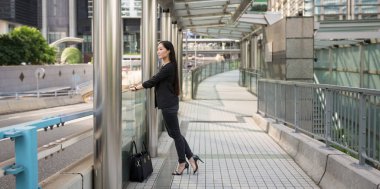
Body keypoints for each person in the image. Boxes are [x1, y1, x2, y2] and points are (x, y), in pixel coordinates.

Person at [130, 41, 203, 175]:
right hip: (169, 104)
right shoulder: (168, 65)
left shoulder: (169, 67)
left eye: (161, 49)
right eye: (157, 49)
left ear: (168, 50)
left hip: (169, 105)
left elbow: (154, 80)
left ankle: (182, 162)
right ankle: (191, 158)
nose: (158, 51)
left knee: (175, 134)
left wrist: (137, 87)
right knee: (175, 134)